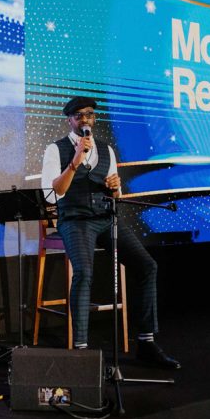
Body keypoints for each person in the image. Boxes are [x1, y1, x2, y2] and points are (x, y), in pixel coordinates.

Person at [41, 96, 180, 369]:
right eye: (79, 115)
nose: (85, 119)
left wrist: (115, 187)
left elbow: (117, 196)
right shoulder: (55, 149)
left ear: (94, 119)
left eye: (89, 114)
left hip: (105, 218)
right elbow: (53, 194)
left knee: (147, 266)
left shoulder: (106, 150)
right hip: (76, 220)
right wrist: (76, 160)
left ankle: (146, 343)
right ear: (69, 120)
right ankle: (81, 350)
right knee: (84, 272)